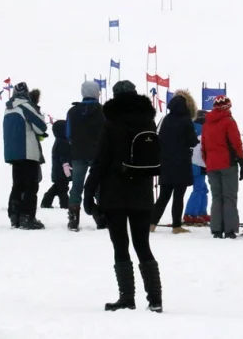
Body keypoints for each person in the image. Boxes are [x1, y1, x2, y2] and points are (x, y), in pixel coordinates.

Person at [83, 80, 162, 313]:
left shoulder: (111, 122)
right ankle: (155, 299)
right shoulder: (149, 121)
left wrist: (88, 193)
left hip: (115, 192)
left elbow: (100, 160)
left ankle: (127, 297)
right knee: (143, 245)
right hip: (142, 192)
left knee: (121, 245)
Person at [151, 90, 199, 233]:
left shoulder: (166, 119)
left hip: (166, 162)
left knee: (164, 196)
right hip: (181, 163)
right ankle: (176, 226)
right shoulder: (186, 120)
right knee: (179, 195)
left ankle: (151, 224)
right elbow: (192, 141)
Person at [3, 82, 47, 229]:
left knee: (17, 184)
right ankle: (27, 217)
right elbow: (41, 126)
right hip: (28, 151)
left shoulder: (8, 108)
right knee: (31, 185)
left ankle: (14, 215)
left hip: (12, 153)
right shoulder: (26, 106)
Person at [202, 95, 243, 239]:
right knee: (229, 197)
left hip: (211, 165)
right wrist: (242, 161)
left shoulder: (207, 123)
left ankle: (216, 229)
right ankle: (229, 230)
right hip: (227, 164)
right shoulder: (229, 121)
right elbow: (236, 143)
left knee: (216, 197)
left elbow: (203, 147)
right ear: (227, 107)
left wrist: (208, 161)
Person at [66, 81, 106, 231]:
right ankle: (100, 215)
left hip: (78, 153)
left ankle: (73, 219)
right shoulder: (103, 111)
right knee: (98, 186)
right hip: (97, 154)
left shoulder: (72, 111)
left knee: (76, 186)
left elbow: (68, 133)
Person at [183, 109, 209, 225]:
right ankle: (191, 214)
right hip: (199, 162)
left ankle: (201, 212)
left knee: (202, 188)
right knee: (199, 188)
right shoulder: (205, 130)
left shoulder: (191, 127)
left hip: (191, 161)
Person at [40, 119, 71, 209]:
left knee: (58, 187)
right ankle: (65, 204)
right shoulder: (62, 142)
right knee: (62, 189)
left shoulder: (60, 141)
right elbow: (63, 157)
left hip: (59, 171)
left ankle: (46, 202)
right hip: (62, 171)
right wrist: (66, 167)